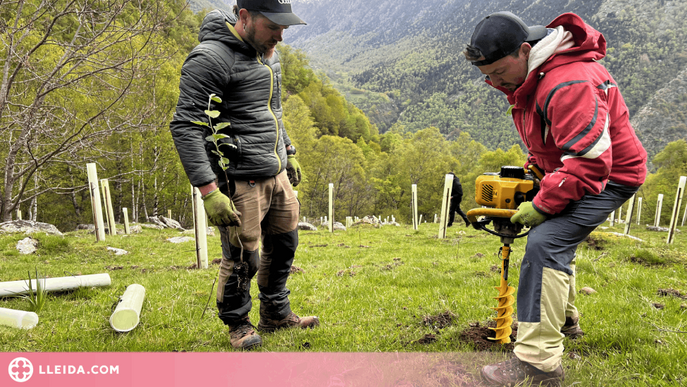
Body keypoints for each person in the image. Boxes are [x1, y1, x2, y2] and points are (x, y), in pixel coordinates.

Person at [464, 11, 647, 386]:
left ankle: (537, 363)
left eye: (499, 73)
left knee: (546, 244)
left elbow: (590, 162)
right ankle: (563, 320)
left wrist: (543, 204)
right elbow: (549, 141)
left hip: (610, 176)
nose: (494, 82)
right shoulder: (537, 75)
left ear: (525, 51)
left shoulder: (567, 83)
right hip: (575, 170)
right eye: (488, 76)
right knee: (554, 240)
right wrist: (535, 173)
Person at [169, 0, 319, 350]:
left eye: (285, 27)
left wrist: (289, 151)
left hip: (275, 170)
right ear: (245, 17)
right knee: (242, 257)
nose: (281, 36)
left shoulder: (269, 55)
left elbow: (273, 110)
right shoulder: (210, 59)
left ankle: (276, 314)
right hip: (238, 177)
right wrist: (209, 191)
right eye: (273, 27)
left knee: (284, 244)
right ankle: (238, 324)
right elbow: (186, 125)